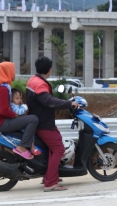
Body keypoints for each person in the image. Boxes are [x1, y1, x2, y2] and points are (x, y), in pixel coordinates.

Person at [26, 56, 79, 192]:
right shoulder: (40, 85)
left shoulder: (33, 80)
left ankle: (49, 175)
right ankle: (50, 183)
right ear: (49, 70)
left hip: (41, 121)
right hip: (43, 124)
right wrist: (69, 103)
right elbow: (50, 101)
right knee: (59, 150)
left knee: (53, 147)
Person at [0, 62, 39, 160]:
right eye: (12, 70)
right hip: (1, 122)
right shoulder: (3, 89)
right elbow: (4, 111)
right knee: (33, 119)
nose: (14, 73)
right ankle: (22, 147)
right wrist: (18, 115)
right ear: (6, 72)